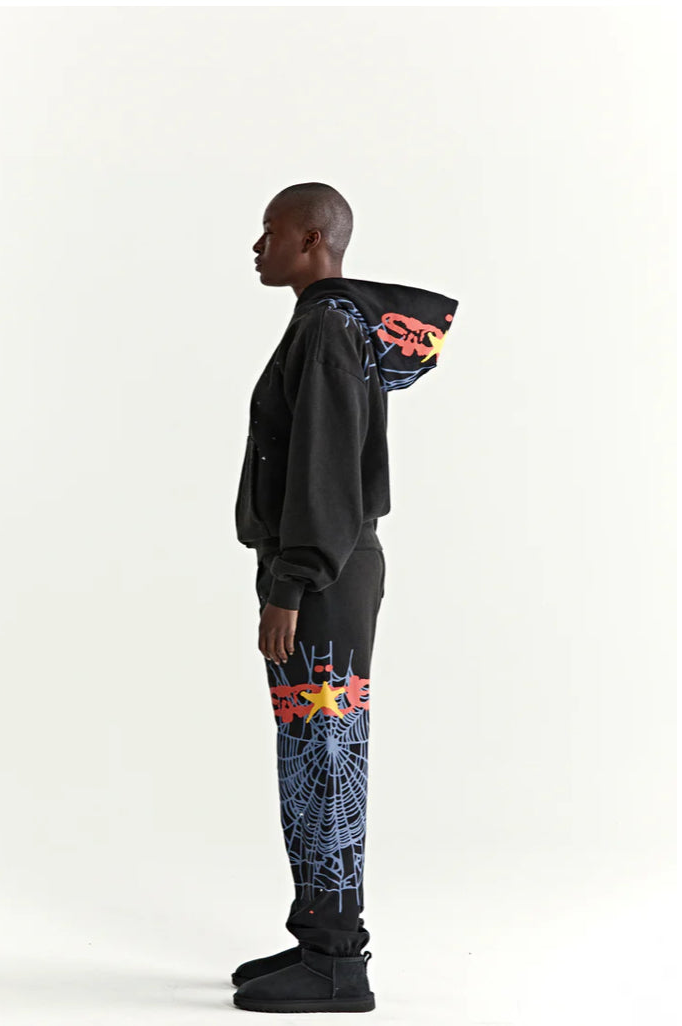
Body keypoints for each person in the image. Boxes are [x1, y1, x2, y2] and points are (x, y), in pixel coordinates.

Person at [232, 182, 459, 1013]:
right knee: (312, 750)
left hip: (321, 574)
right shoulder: (328, 322)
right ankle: (315, 935)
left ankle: (336, 963)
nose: (256, 247)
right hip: (322, 565)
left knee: (325, 754)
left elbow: (324, 468)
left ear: (312, 238)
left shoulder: (329, 326)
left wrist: (290, 583)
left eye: (270, 231)